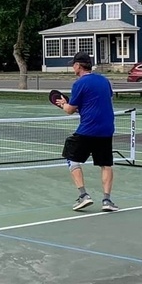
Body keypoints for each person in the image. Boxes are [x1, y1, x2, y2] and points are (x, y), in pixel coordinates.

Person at [53, 52, 118, 212]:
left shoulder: (79, 83)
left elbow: (69, 110)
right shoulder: (104, 81)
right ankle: (107, 201)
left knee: (71, 157)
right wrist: (73, 105)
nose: (72, 67)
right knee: (106, 164)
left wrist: (63, 104)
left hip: (88, 129)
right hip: (107, 129)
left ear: (78, 66)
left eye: (73, 64)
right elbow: (93, 105)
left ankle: (83, 196)